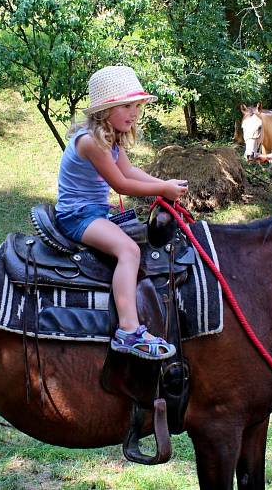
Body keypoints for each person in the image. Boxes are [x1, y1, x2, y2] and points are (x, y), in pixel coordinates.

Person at [55, 65, 188, 360]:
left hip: (95, 212)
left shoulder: (110, 137)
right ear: (106, 109)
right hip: (78, 216)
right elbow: (121, 184)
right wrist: (162, 190)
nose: (134, 113)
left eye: (137, 106)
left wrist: (163, 185)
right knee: (128, 251)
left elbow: (129, 170)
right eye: (127, 106)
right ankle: (128, 330)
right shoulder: (91, 141)